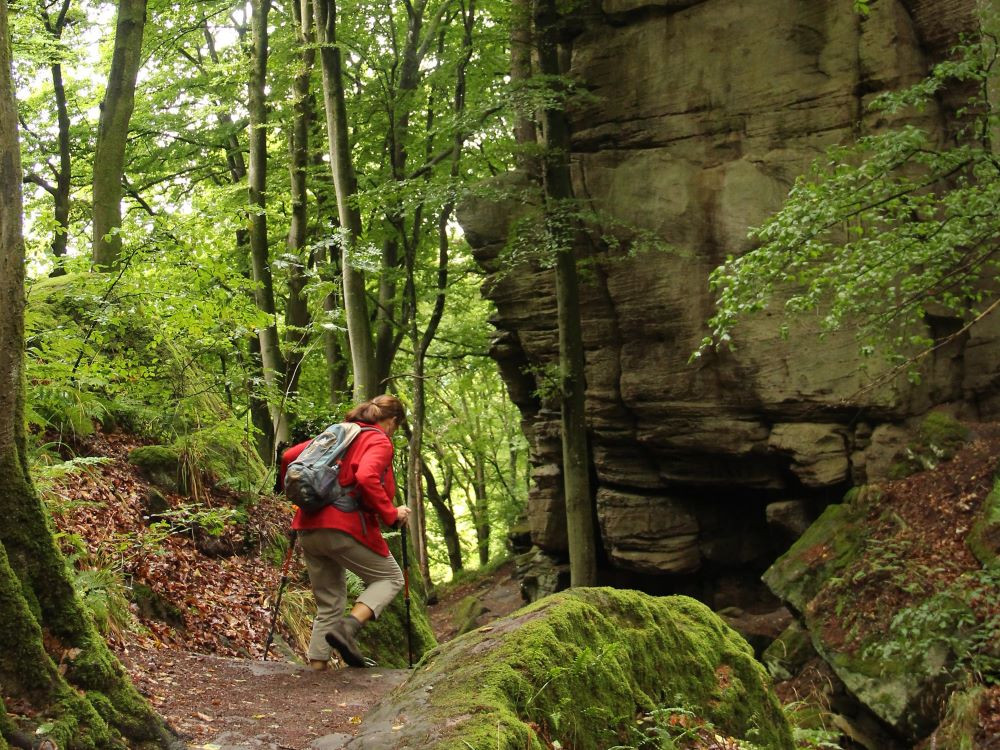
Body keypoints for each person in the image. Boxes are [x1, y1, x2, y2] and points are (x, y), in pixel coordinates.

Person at [283, 395, 411, 670]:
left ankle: (317, 669)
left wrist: (299, 498)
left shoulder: (338, 434)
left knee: (329, 602)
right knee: (390, 578)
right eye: (395, 427)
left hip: (308, 526)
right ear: (392, 422)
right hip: (343, 526)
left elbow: (289, 457)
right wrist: (392, 514)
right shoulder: (377, 439)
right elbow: (366, 477)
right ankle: (348, 628)